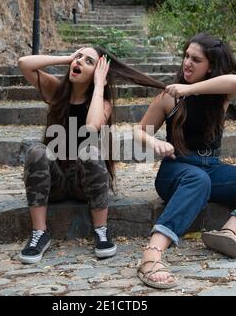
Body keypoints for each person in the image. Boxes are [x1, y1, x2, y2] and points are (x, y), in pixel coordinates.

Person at [134, 33, 236, 289]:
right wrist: (156, 144)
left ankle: (228, 232)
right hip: (176, 170)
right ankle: (152, 253)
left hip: (212, 169)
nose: (187, 63)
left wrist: (189, 89)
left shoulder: (220, 95)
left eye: (196, 59)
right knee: (198, 180)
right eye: (186, 56)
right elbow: (140, 131)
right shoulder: (169, 97)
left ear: (211, 67)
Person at [17, 46, 166, 264]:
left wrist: (98, 85)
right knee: (36, 151)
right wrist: (67, 57)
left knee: (90, 151)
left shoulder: (102, 103)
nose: (79, 62)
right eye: (78, 57)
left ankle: (101, 231)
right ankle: (40, 233)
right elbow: (23, 63)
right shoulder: (56, 91)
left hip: (84, 184)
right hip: (55, 181)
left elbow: (92, 126)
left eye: (88, 61)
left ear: (98, 72)